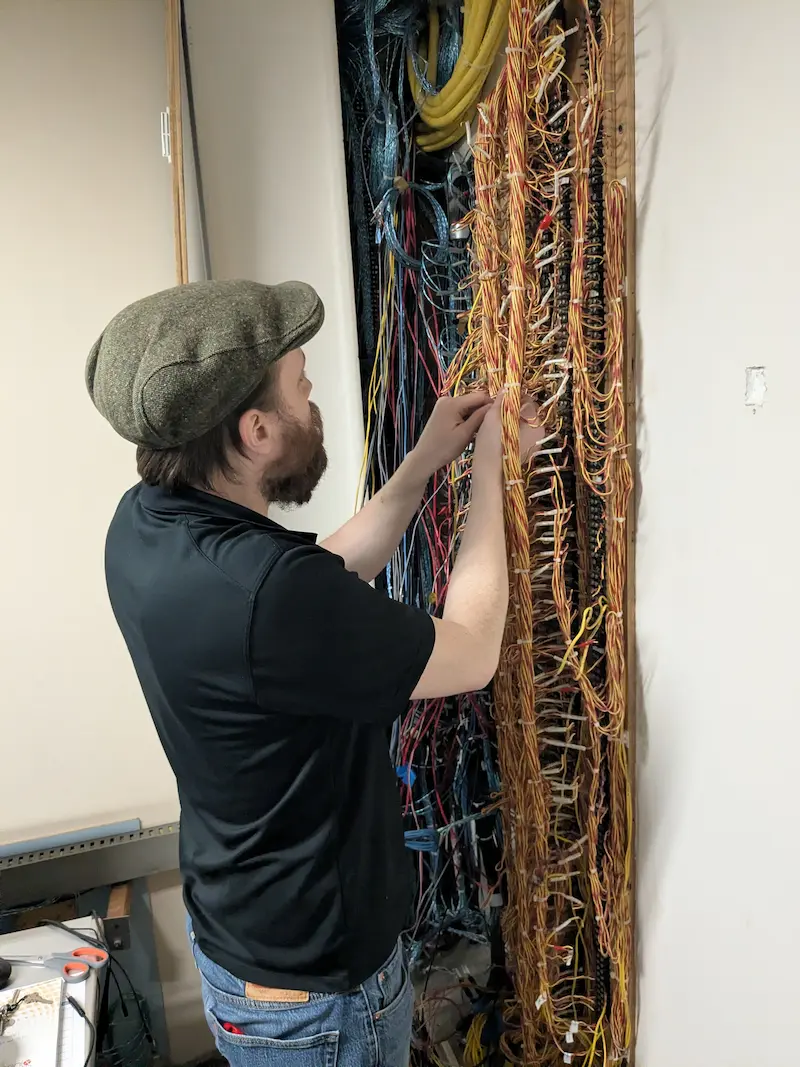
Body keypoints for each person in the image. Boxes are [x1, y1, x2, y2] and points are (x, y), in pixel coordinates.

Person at [87, 279, 543, 1067]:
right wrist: (488, 477)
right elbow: (472, 649)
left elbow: (320, 577)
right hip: (320, 1000)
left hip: (246, 941)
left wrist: (427, 460)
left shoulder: (145, 523)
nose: (314, 399)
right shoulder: (270, 598)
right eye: (302, 387)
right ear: (257, 430)